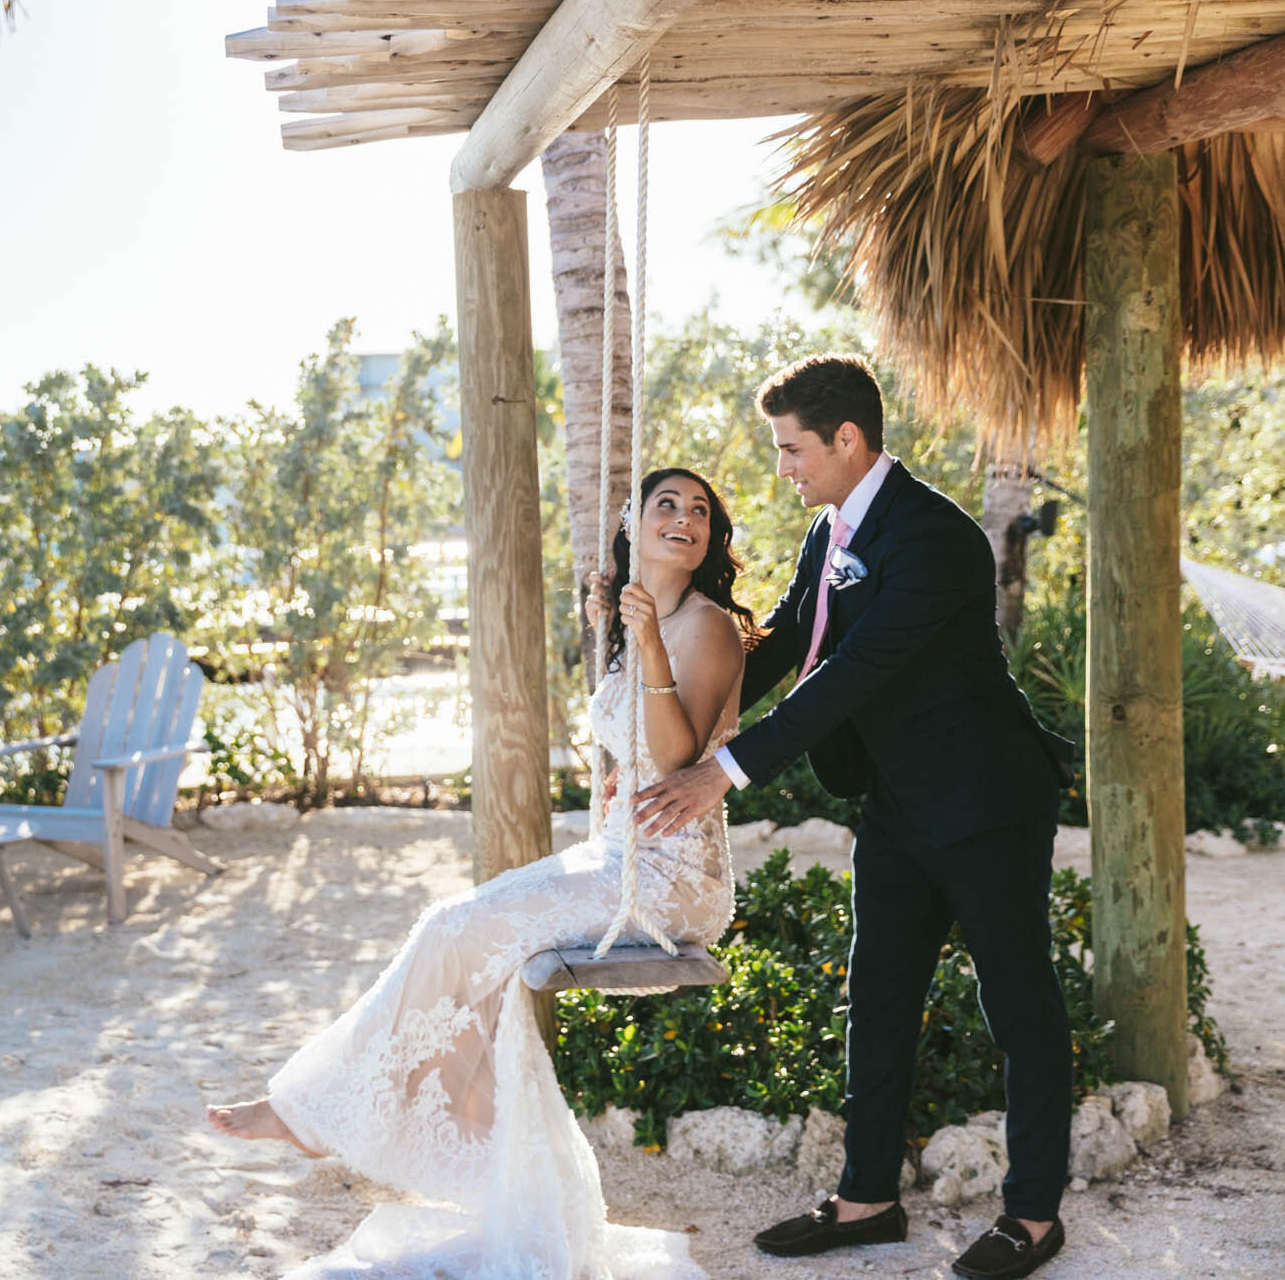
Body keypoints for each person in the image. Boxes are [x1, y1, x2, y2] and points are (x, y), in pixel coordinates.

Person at [208, 467, 753, 1279]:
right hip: (619, 851)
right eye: (665, 505)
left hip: (672, 878)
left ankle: (316, 1115)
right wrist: (618, 765)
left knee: (457, 931)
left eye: (699, 510)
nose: (684, 518)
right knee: (452, 927)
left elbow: (677, 754)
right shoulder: (642, 613)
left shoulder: (705, 625)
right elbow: (640, 746)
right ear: (633, 526)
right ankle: (362, 1118)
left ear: (710, 538)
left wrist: (642, 642)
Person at [631, 356, 1077, 1280]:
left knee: (1018, 1005)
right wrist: (668, 718)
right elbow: (791, 639)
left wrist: (725, 769)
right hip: (899, 803)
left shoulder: (940, 537)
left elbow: (854, 671)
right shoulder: (828, 529)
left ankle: (1033, 1214)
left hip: (987, 800)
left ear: (847, 439)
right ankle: (868, 1196)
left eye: (793, 450)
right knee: (875, 998)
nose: (784, 469)